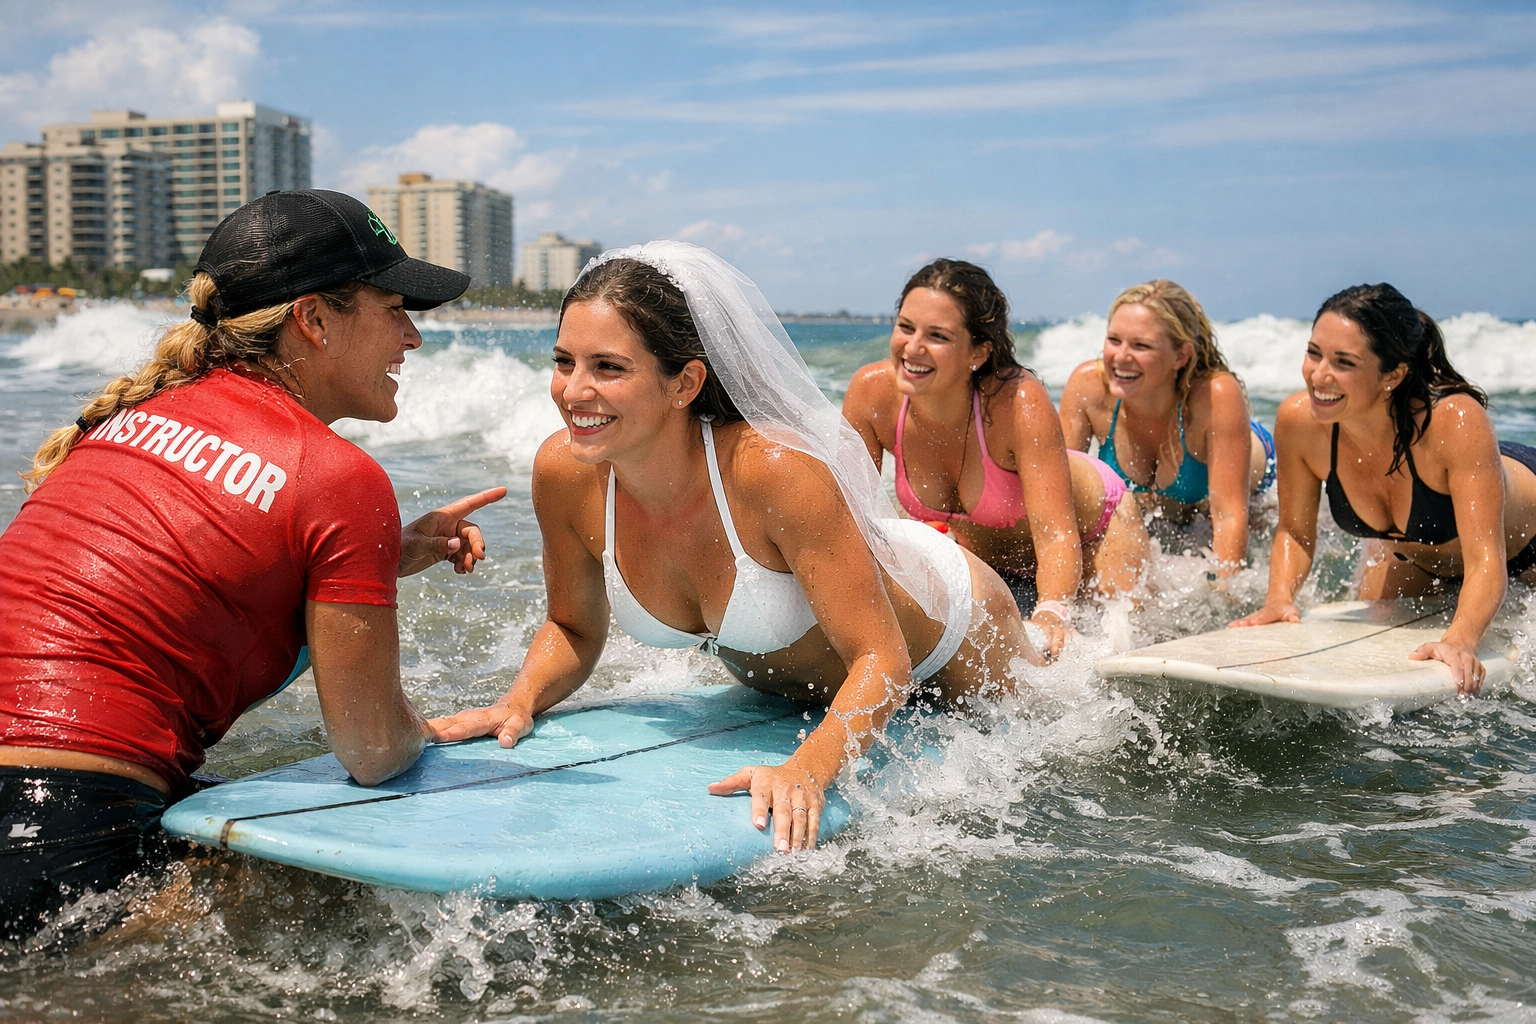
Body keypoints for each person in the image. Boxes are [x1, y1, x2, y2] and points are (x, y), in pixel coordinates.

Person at [0, 190, 504, 939]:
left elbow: (162, 571)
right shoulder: (336, 474)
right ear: (314, 319)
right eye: (394, 307)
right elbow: (371, 754)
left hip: (38, 812)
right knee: (369, 907)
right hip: (61, 832)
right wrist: (419, 730)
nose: (412, 338)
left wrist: (375, 559)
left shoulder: (128, 420)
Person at [432, 242, 1035, 854]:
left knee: (1053, 753)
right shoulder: (564, 473)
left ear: (686, 382)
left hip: (955, 638)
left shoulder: (774, 473)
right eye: (564, 362)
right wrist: (519, 700)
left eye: (608, 368)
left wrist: (810, 768)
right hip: (804, 671)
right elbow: (573, 625)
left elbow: (883, 660)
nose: (573, 391)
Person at [1231, 283, 1536, 694]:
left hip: (1522, 549)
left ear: (1392, 375)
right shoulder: (1301, 422)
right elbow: (1295, 532)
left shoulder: (1455, 420)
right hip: (1420, 556)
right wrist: (1278, 599)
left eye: (1344, 362)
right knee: (1374, 621)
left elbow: (1486, 559)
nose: (1319, 374)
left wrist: (1460, 640)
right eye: (1313, 352)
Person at [841, 259, 1147, 658]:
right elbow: (852, 519)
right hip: (993, 563)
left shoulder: (1017, 401)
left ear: (979, 352)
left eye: (937, 336)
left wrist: (1053, 612)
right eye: (905, 327)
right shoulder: (872, 395)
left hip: (1094, 536)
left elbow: (1057, 535)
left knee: (1112, 649)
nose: (912, 348)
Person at [1059, 280, 1276, 579]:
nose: (1120, 357)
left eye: (1141, 345)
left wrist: (1226, 597)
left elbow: (1227, 515)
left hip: (1247, 469)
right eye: (1114, 340)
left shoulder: (1216, 395)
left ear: (1180, 356)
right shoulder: (1088, 388)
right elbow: (1059, 498)